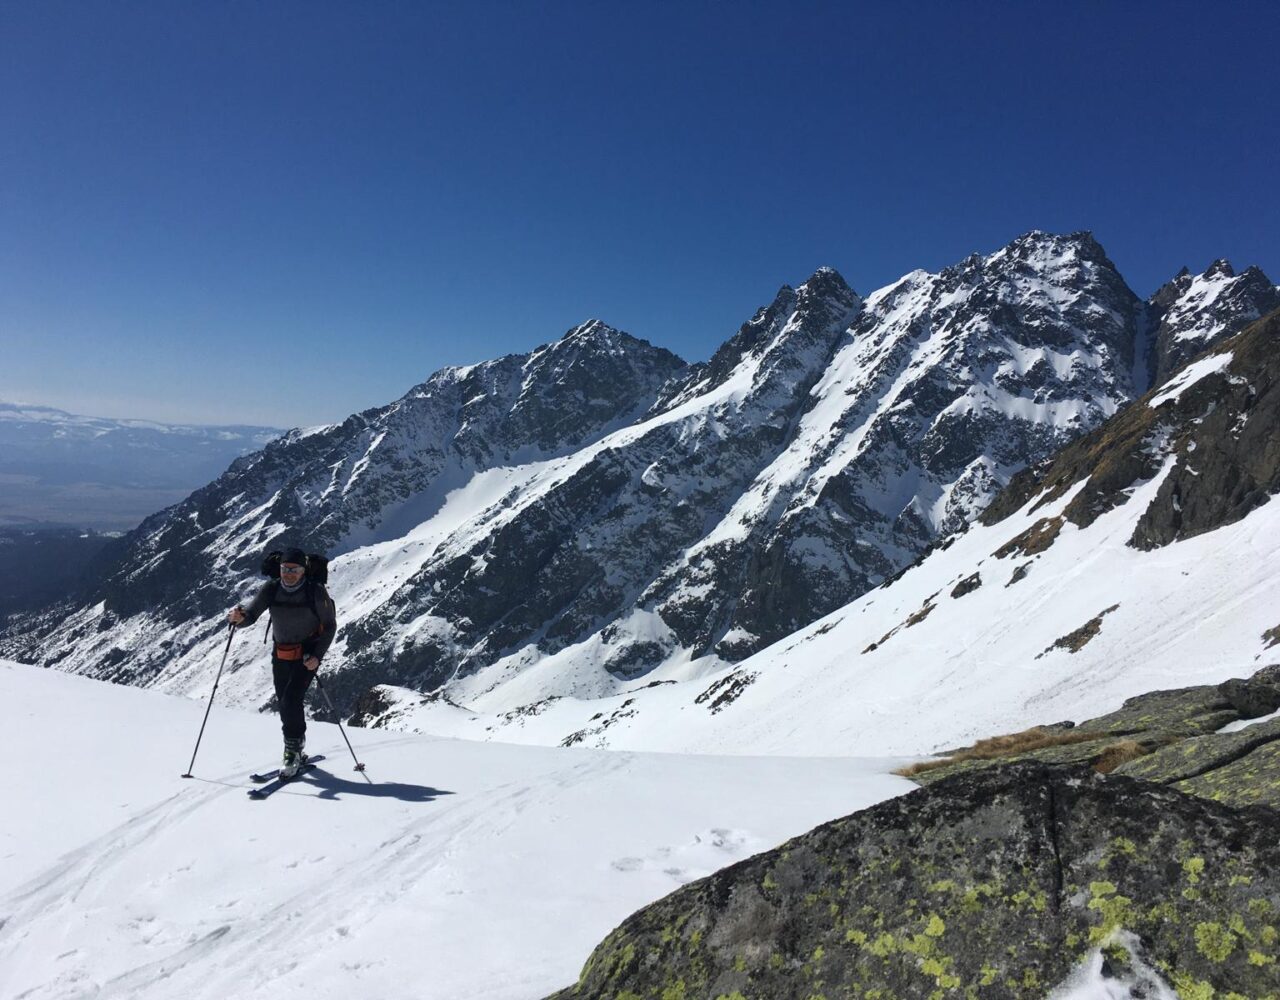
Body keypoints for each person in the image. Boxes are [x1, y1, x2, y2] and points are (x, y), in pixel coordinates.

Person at [228, 547, 338, 776]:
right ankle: (297, 742)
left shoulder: (316, 592)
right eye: (285, 569)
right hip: (281, 654)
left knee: (291, 700)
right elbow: (251, 614)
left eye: (294, 570)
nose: (289, 574)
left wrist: (317, 657)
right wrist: (239, 619)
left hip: (307, 656)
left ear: (304, 570)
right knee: (285, 703)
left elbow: (329, 626)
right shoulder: (271, 588)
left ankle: (292, 752)